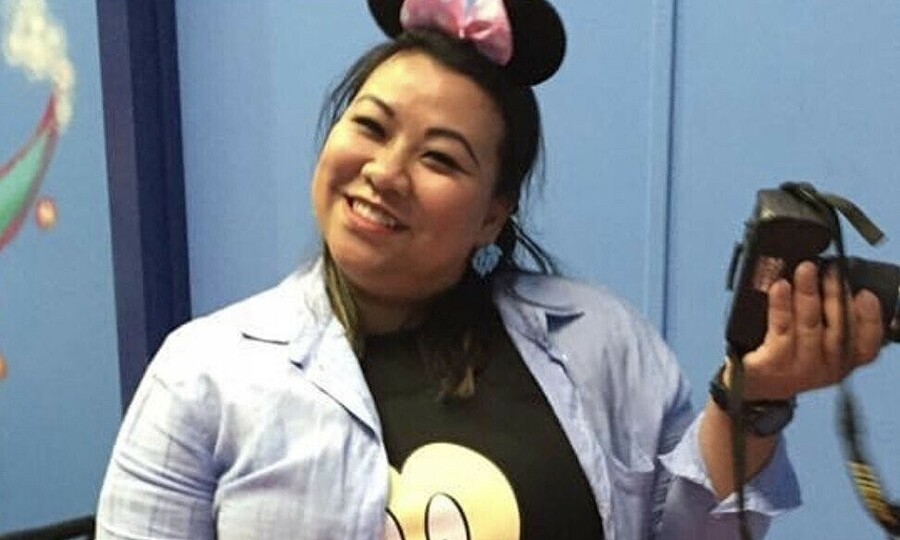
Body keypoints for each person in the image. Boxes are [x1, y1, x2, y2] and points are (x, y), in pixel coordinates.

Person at [95, 0, 888, 538]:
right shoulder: (203, 375)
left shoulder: (599, 339)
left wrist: (756, 397)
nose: (385, 172)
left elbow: (692, 534)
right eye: (370, 127)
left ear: (492, 214)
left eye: (440, 158)